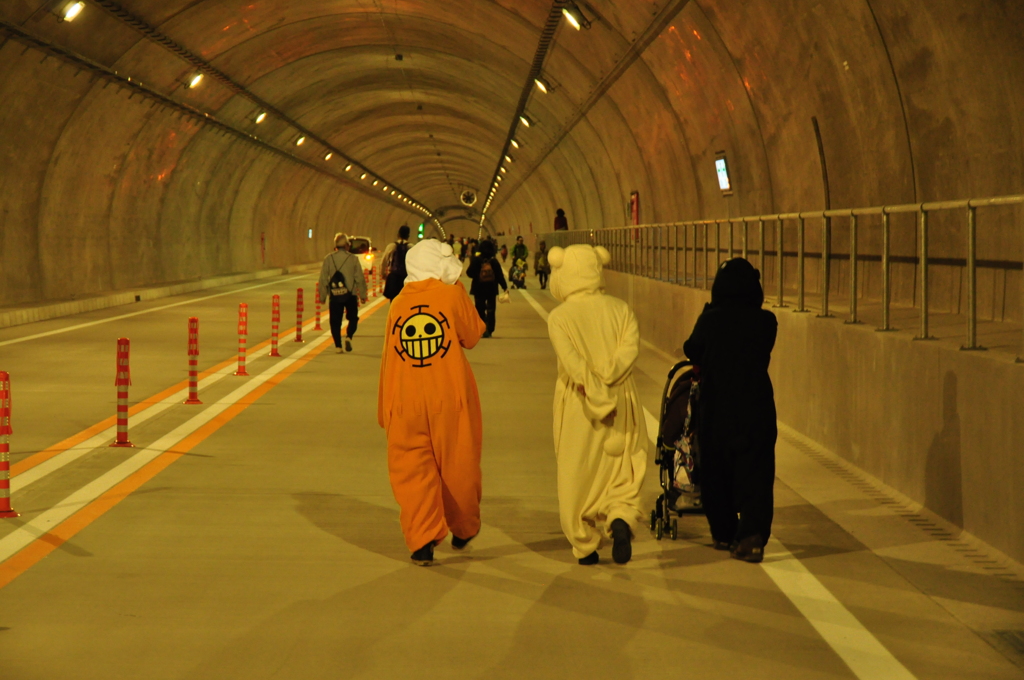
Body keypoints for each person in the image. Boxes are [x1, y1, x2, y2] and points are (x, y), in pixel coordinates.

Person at [378, 240, 487, 565]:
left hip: (405, 399)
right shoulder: (451, 295)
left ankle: (422, 540)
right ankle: (464, 527)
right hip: (448, 397)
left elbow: (389, 358)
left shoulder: (398, 303)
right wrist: (459, 292)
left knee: (411, 471)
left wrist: (386, 408)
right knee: (459, 466)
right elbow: (473, 335)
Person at [546, 244, 648, 565]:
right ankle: (620, 517)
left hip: (580, 402)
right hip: (622, 397)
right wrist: (609, 382)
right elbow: (629, 351)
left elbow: (573, 363)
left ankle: (585, 544)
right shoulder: (621, 309)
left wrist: (595, 392)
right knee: (624, 467)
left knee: (577, 471)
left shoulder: (559, 317)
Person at [682, 258, 777, 563]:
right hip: (757, 407)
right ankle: (752, 535)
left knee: (716, 470)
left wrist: (708, 313)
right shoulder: (766, 322)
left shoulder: (711, 320)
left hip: (718, 406)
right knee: (757, 472)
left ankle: (724, 531)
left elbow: (692, 348)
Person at [318, 233, 368, 353]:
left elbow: (323, 278)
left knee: (335, 321)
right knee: (353, 318)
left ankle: (338, 346)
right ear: (347, 245)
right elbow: (359, 278)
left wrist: (322, 296)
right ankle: (349, 336)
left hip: (335, 295)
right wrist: (363, 295)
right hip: (350, 295)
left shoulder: (328, 259)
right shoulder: (353, 259)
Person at [466, 240, 507, 338]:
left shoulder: (476, 260)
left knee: (480, 309)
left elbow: (469, 273)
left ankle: (482, 328)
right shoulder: (494, 261)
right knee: (491, 309)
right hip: (491, 289)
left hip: (478, 288)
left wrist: (477, 274)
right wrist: (504, 287)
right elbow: (499, 275)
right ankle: (490, 329)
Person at [381, 226, 411, 300]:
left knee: (394, 300)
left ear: (398, 234)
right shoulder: (411, 247)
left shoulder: (391, 246)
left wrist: (383, 273)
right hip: (406, 278)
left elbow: (384, 261)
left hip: (394, 277)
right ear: (408, 236)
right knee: (405, 300)